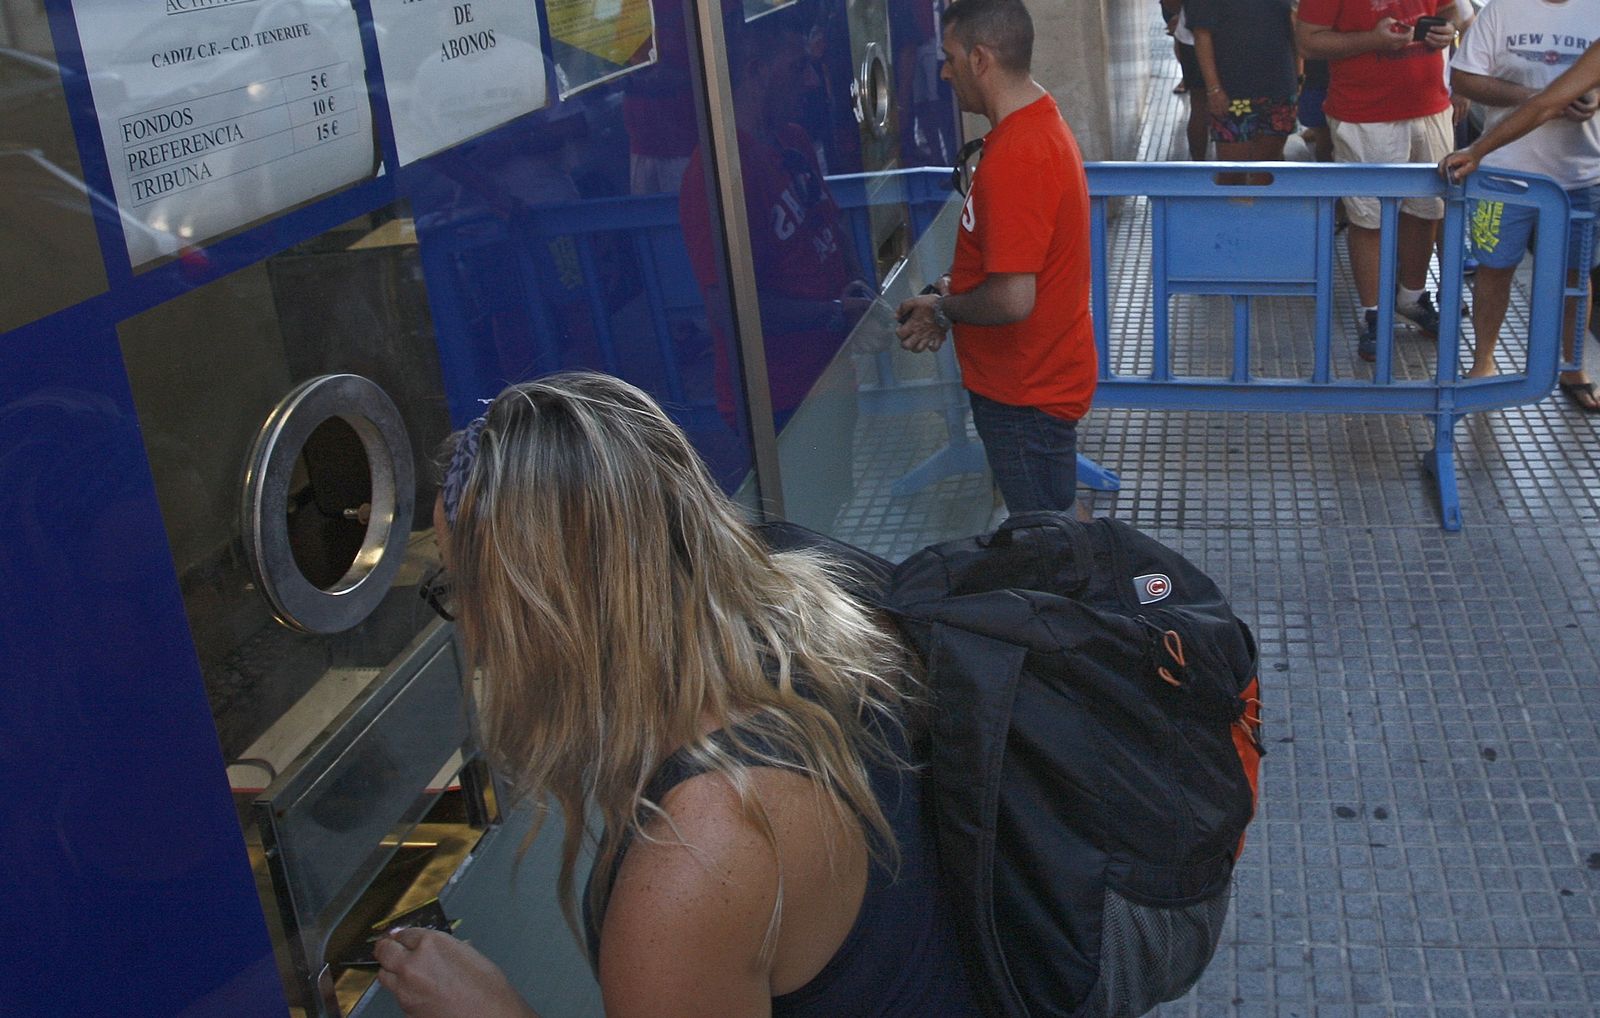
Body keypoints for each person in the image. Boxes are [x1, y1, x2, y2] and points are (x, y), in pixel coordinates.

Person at [374, 373, 977, 1017]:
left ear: (538, 620)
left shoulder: (696, 860)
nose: (463, 617)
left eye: (460, 583)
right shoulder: (808, 604)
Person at [896, 0, 1096, 515]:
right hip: (1032, 385)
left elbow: (1010, 299)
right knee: (1053, 527)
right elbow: (1011, 264)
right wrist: (947, 291)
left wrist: (944, 311)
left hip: (1025, 397)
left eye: (950, 56)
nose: (944, 70)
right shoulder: (1032, 128)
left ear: (980, 59)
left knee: (1048, 547)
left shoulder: (1018, 156)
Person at [1439, 0, 1598, 407]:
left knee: (1576, 276)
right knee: (1494, 269)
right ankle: (1483, 360)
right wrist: (1540, 98)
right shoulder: (1503, 9)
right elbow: (1465, 80)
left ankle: (1573, 364)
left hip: (1582, 174)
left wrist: (1591, 96)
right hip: (1506, 172)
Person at [1295, 0, 1463, 361]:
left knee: (1427, 210)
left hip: (1431, 106)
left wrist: (1447, 29)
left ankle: (1411, 296)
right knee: (1368, 217)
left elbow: (1456, 11)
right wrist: (1372, 40)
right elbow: (1308, 41)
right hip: (1363, 113)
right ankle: (1373, 313)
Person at [1187, 0, 1299, 176]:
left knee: (1267, 171)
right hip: (1235, 90)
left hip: (1279, 86)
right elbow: (1202, 34)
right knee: (1233, 173)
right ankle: (1233, 202)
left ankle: (1258, 202)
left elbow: (1293, 25)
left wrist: (1297, 76)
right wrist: (1214, 89)